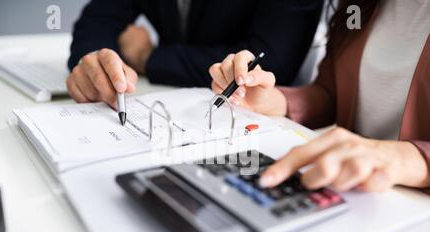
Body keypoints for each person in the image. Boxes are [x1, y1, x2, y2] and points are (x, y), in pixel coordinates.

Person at [209, 0, 430, 193]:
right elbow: (331, 93)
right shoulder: (357, 6)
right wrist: (272, 100)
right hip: (345, 186)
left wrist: (406, 159)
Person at [66, 0, 324, 107]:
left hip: (252, 116)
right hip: (170, 105)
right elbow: (96, 21)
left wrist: (148, 58)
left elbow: (270, 60)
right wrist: (96, 62)